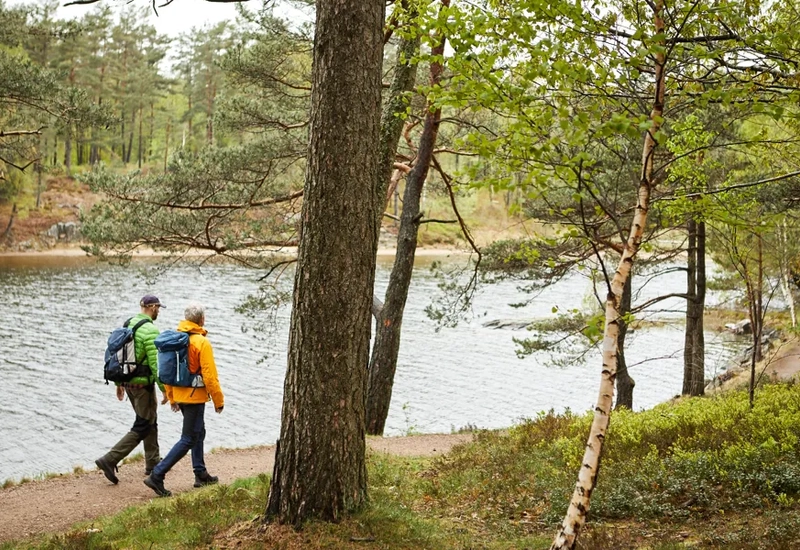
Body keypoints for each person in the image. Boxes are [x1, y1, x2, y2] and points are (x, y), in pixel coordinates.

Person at [144, 302, 225, 497]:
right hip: (194, 397)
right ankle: (157, 474)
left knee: (199, 431)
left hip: (180, 395)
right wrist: (218, 400)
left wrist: (172, 397)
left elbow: (167, 372)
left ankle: (200, 473)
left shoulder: (175, 339)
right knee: (188, 438)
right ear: (202, 320)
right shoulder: (201, 342)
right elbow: (209, 375)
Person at [95, 295, 168, 484]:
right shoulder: (151, 330)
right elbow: (155, 364)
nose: (158, 311)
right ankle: (109, 459)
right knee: (143, 425)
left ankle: (153, 462)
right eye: (158, 307)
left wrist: (119, 384)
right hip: (142, 385)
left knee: (149, 419)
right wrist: (165, 389)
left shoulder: (128, 324)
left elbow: (119, 356)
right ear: (152, 307)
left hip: (128, 383)